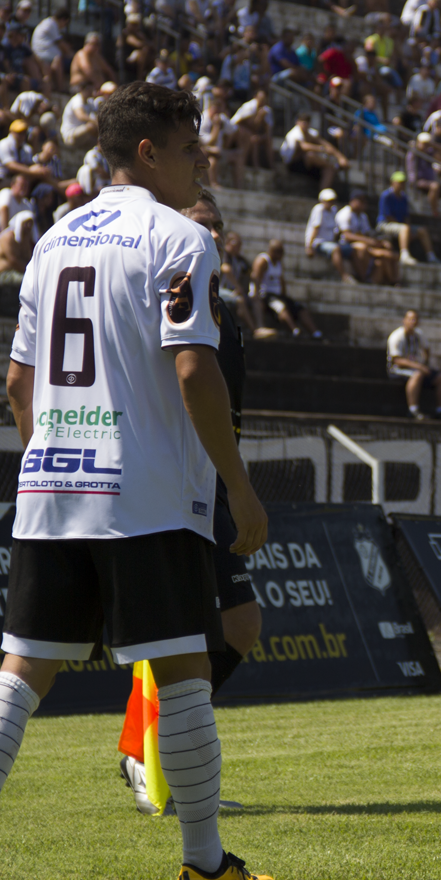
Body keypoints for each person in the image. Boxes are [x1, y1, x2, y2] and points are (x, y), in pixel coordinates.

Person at [0, 82, 271, 880]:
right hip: (147, 494)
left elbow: (18, 383)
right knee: (184, 670)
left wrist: (53, 461)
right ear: (149, 153)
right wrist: (239, 486)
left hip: (51, 487)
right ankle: (204, 860)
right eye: (191, 149)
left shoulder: (51, 240)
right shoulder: (179, 237)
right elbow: (195, 367)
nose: (201, 165)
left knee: (18, 673)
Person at [115, 189, 262, 815]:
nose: (212, 235)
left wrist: (233, 478)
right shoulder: (161, 300)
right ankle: (148, 758)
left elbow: (227, 413)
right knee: (197, 630)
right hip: (170, 481)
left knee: (235, 626)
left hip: (213, 482)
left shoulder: (227, 314)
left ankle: (147, 753)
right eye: (200, 224)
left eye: (218, 226)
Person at [250, 238, 321, 339]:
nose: (281, 255)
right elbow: (256, 278)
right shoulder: (263, 261)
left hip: (278, 295)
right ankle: (295, 330)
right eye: (279, 252)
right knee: (280, 307)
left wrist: (284, 295)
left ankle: (316, 333)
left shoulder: (279, 263)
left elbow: (281, 280)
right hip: (266, 295)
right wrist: (256, 296)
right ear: (272, 251)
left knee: (299, 308)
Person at [388, 309, 441, 420]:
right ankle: (413, 410)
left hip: (416, 368)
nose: (413, 322)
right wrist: (419, 367)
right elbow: (397, 360)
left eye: (415, 319)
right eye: (410, 319)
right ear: (404, 320)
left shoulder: (419, 334)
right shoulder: (397, 336)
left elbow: (427, 348)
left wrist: (424, 362)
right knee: (418, 374)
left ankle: (440, 410)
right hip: (397, 369)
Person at [376, 171, 438, 265]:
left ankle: (431, 256)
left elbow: (406, 217)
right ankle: (404, 255)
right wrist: (406, 229)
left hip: (402, 226)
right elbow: (388, 217)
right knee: (405, 228)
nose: (402, 185)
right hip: (384, 224)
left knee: (422, 230)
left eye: (403, 183)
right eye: (399, 182)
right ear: (393, 183)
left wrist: (408, 228)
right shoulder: (386, 196)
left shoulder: (404, 197)